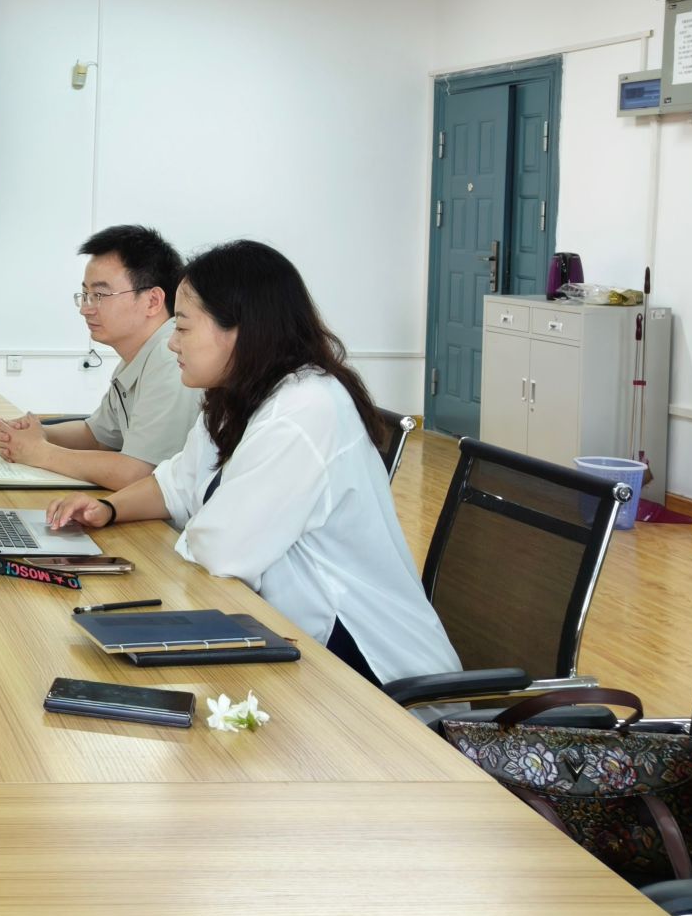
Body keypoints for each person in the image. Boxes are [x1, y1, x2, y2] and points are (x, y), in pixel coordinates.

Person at [45, 240, 459, 688]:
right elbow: (176, 484)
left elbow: (222, 550)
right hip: (286, 634)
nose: (172, 344)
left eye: (182, 327)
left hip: (364, 664)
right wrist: (109, 509)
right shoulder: (236, 396)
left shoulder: (305, 409)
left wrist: (186, 531)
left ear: (239, 330)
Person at [0, 225, 201, 491]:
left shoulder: (171, 356)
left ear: (152, 301)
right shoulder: (137, 356)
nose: (85, 309)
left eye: (99, 295)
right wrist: (38, 433)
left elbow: (139, 473)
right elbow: (98, 436)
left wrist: (40, 452)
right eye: (85, 295)